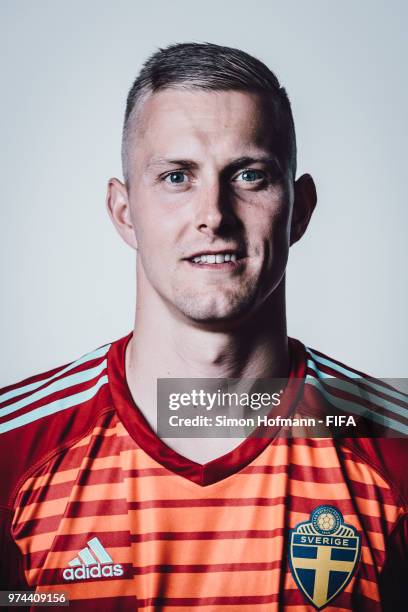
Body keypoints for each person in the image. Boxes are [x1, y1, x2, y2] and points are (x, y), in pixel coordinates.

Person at [0, 42, 407, 611]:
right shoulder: (14, 451)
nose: (213, 213)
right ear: (124, 212)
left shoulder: (393, 448)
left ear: (302, 208)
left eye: (249, 175)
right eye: (175, 177)